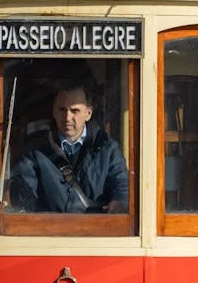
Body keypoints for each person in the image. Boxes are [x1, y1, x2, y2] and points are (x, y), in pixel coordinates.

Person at [8, 80, 129, 213]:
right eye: (62, 109)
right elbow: (24, 191)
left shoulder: (107, 148)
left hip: (95, 225)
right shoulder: (35, 149)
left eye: (74, 110)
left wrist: (119, 203)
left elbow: (122, 186)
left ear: (88, 113)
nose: (67, 117)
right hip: (48, 225)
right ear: (54, 111)